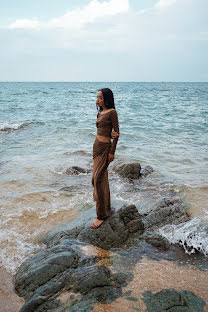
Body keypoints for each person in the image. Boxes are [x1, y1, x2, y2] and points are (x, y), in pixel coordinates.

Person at [91, 88, 119, 228]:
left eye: (100, 97)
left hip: (105, 149)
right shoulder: (100, 113)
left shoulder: (112, 112)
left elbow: (117, 133)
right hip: (96, 148)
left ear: (106, 98)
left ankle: (101, 215)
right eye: (97, 97)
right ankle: (106, 208)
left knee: (98, 179)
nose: (97, 100)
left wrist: (112, 152)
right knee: (97, 179)